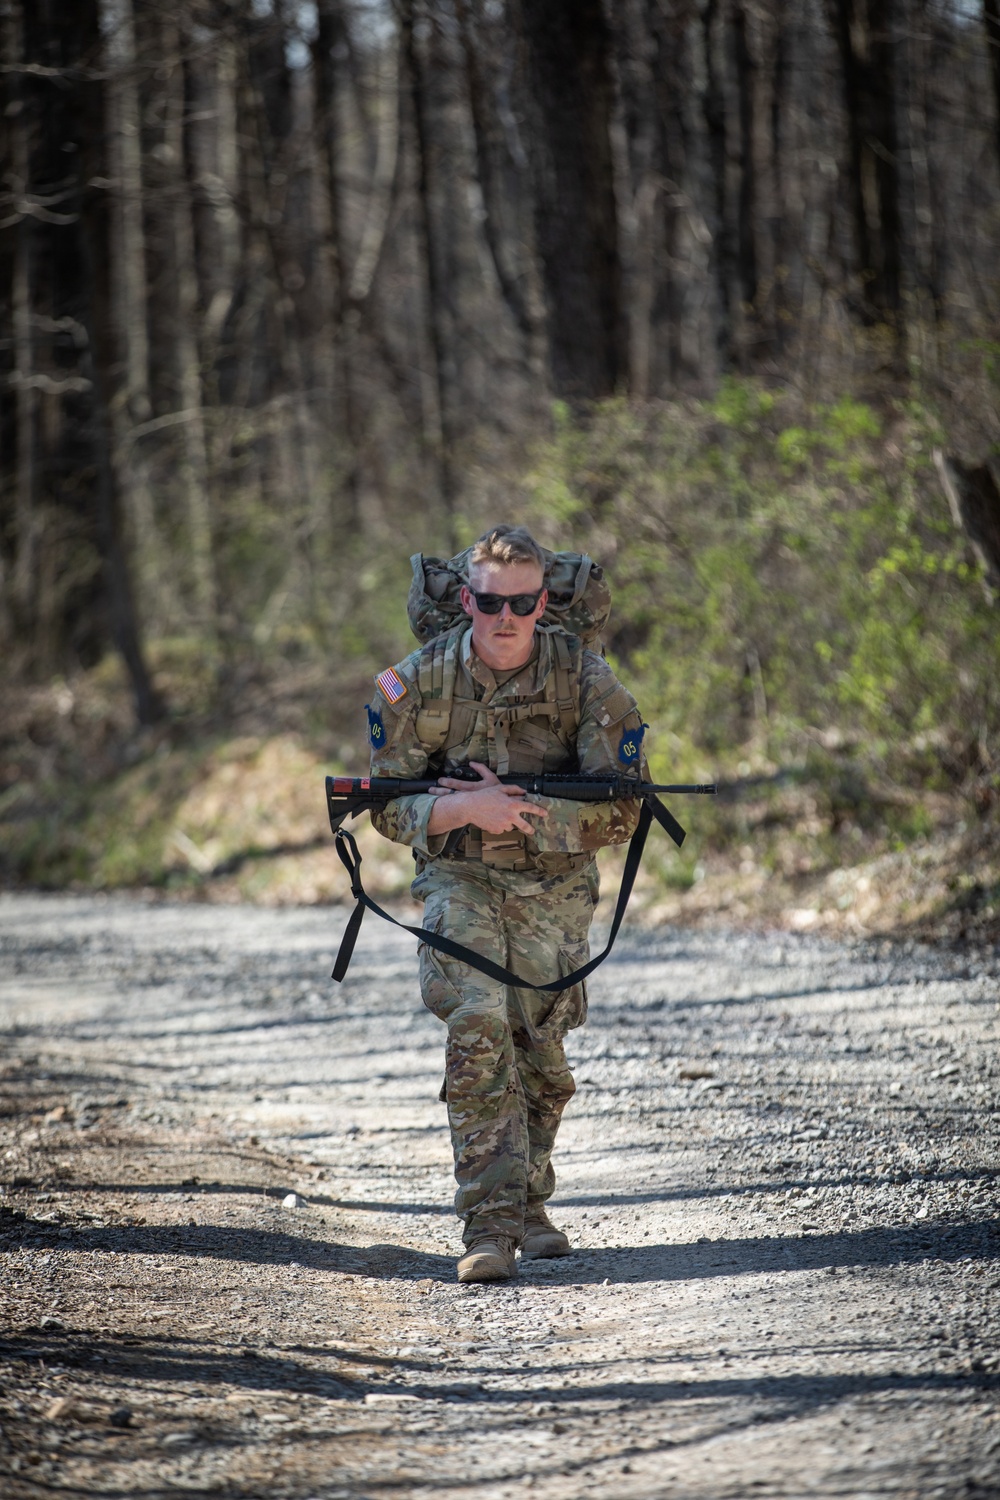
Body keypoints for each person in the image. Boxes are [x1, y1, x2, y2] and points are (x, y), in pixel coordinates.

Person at [366, 525, 648, 1283]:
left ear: (543, 601)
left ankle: (529, 1203)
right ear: (467, 600)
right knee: (479, 1021)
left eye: (524, 601)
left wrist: (514, 810)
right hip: (458, 881)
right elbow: (386, 807)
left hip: (555, 888)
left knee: (543, 1055)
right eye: (491, 601)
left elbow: (625, 809)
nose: (507, 616)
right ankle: (488, 1227)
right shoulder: (416, 684)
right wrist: (459, 814)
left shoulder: (589, 681)